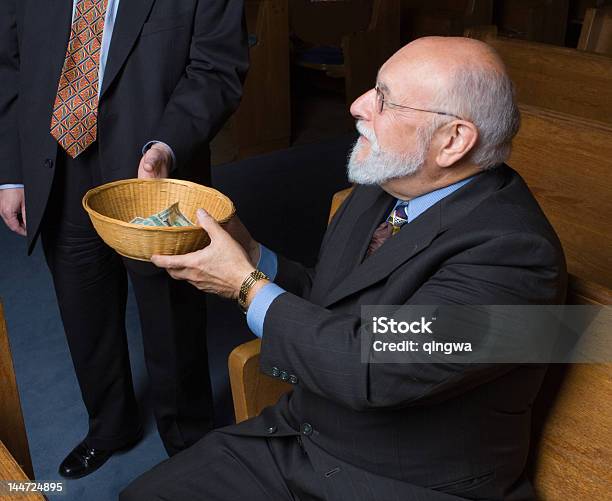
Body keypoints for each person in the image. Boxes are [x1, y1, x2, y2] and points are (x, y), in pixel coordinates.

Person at [121, 36, 567, 500]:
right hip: (307, 437)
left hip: (401, 481)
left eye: (385, 99)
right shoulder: (384, 186)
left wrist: (244, 286)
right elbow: (335, 303)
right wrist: (254, 255)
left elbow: (373, 364)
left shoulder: (515, 254)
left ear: (453, 140)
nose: (357, 105)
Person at [0, 0, 248, 478]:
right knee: (82, 306)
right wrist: (11, 174)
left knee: (170, 307)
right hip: (58, 162)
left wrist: (166, 147)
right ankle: (110, 426)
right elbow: (9, 66)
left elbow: (218, 66)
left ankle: (189, 439)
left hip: (151, 165)